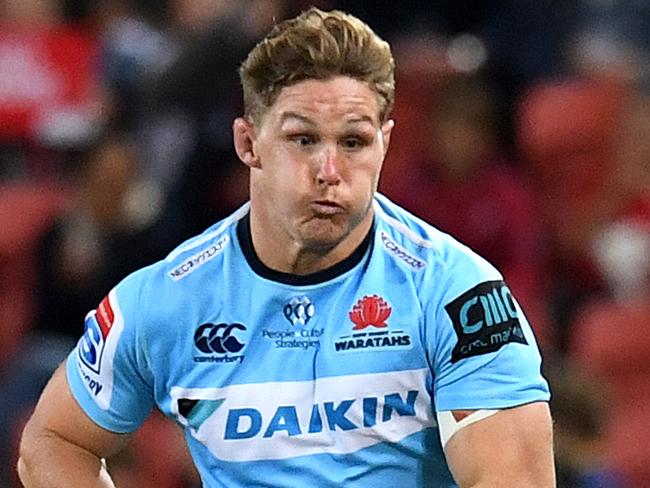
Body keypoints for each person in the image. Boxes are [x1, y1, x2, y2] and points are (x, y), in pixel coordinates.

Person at [17, 7, 554, 487]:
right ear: (249, 143)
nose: (330, 172)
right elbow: (54, 443)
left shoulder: (459, 297)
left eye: (354, 142)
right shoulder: (165, 300)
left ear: (385, 142)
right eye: (303, 140)